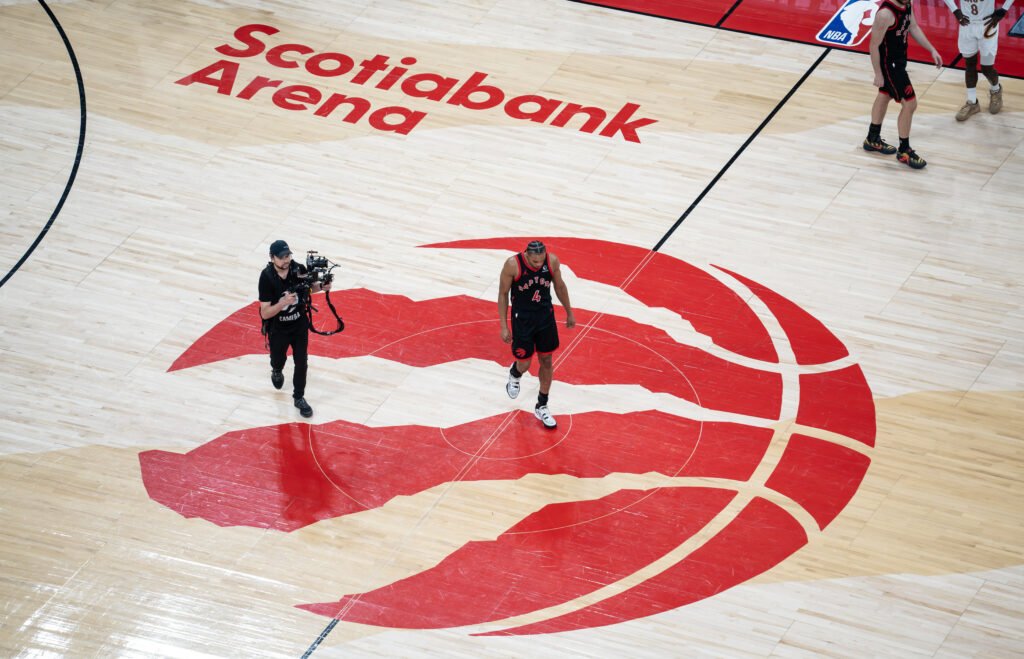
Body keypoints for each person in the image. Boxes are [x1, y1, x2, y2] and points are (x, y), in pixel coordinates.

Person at [498, 240, 576, 429]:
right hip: (522, 319)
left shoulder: (552, 262)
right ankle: (515, 373)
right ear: (526, 255)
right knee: (524, 363)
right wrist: (503, 326)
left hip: (544, 317)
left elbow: (560, 287)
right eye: (534, 262)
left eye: (541, 261)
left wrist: (569, 312)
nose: (538, 265)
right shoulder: (512, 265)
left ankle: (542, 405)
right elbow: (503, 294)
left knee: (547, 360)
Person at [862, 0, 944, 169]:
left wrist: (932, 49)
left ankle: (872, 138)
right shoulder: (885, 14)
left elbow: (913, 27)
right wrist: (878, 73)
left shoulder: (906, 4)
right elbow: (873, 45)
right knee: (910, 104)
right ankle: (904, 151)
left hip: (899, 61)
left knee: (885, 95)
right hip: (889, 65)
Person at [258, 239, 330, 418]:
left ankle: (299, 397)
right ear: (272, 258)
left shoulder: (298, 269)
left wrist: (321, 286)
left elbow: (309, 288)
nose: (286, 260)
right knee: (278, 359)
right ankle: (276, 369)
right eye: (282, 257)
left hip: (299, 326)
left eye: (288, 255)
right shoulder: (266, 277)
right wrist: (282, 302)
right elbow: (265, 313)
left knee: (301, 363)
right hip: (278, 328)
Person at [945, 0, 1015, 120]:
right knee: (969, 64)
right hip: (967, 24)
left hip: (988, 24)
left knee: (986, 68)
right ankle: (972, 103)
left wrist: (1004, 9)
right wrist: (955, 10)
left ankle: (996, 90)